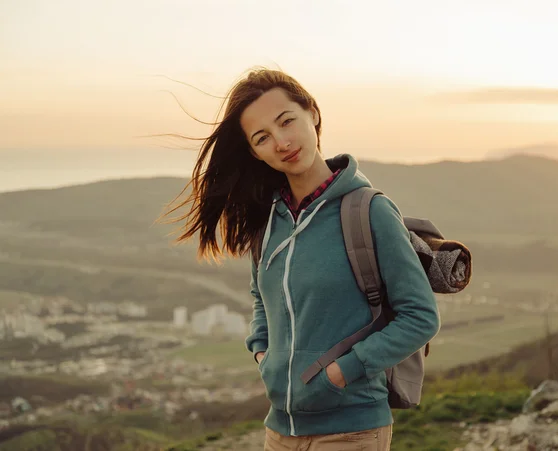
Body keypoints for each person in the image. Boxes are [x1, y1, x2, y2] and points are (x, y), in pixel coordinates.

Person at [167, 68, 440, 451]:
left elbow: (420, 316)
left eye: (286, 121)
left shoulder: (368, 211)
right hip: (279, 431)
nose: (281, 142)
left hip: (352, 430)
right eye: (263, 138)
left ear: (312, 112)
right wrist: (263, 353)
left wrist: (341, 373)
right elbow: (262, 297)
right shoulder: (268, 221)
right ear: (254, 152)